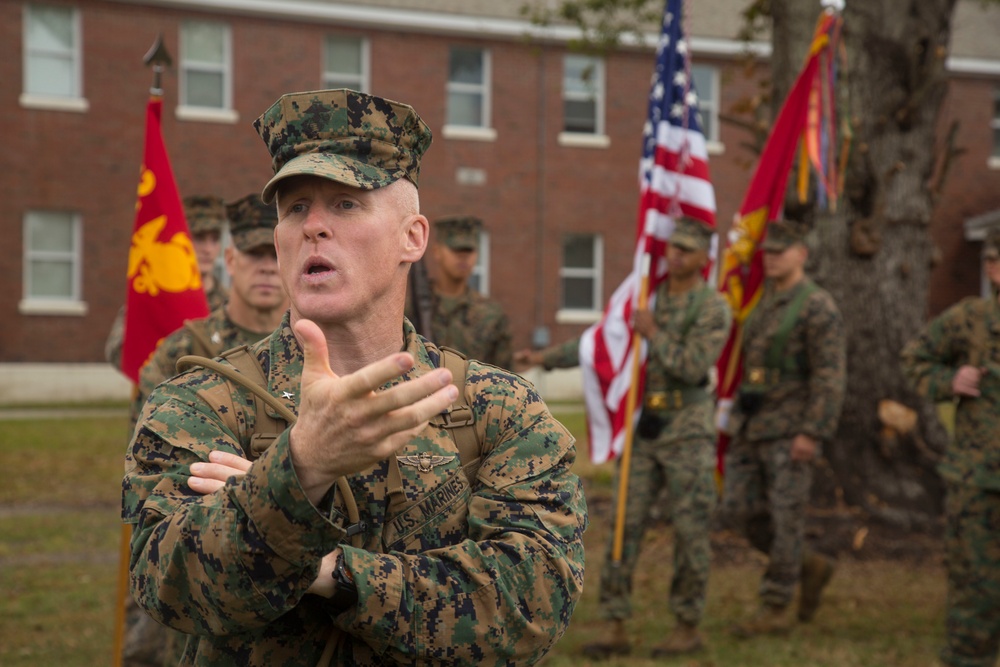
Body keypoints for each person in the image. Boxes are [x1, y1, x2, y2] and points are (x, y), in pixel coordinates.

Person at [122, 88, 587, 666]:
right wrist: (301, 467)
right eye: (295, 209)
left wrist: (334, 573)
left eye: (346, 204)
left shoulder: (497, 408)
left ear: (412, 238)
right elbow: (173, 588)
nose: (314, 226)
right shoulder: (200, 404)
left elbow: (531, 604)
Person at [515, 217, 732, 657]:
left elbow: (692, 365)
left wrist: (654, 333)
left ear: (704, 257)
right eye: (673, 248)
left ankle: (687, 625)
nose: (676, 256)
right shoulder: (644, 298)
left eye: (687, 250)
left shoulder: (711, 308)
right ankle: (615, 621)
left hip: (687, 433)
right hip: (642, 433)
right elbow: (601, 345)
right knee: (623, 526)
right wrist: (545, 358)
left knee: (690, 530)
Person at [121, 193, 287, 667]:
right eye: (255, 255)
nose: (268, 269)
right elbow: (160, 473)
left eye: (276, 255)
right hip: (203, 557)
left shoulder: (322, 353)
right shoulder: (182, 353)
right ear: (230, 260)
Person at [719, 218, 846, 637]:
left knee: (786, 516)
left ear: (802, 254)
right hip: (752, 426)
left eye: (779, 252)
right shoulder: (765, 302)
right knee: (738, 510)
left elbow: (829, 375)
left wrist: (812, 431)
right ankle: (808, 565)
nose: (770, 259)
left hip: (791, 429)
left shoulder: (816, 306)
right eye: (767, 253)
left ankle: (775, 607)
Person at [900, 228, 1000, 667]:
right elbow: (915, 358)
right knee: (974, 587)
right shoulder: (970, 319)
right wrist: (948, 381)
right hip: (978, 479)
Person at [105, 195, 230, 370]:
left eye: (215, 239)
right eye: (199, 238)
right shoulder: (156, 294)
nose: (208, 249)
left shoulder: (231, 302)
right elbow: (118, 351)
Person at [425, 216, 513, 369]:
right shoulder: (411, 307)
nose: (463, 257)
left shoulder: (490, 314)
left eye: (469, 250)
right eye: (456, 249)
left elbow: (504, 376)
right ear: (437, 252)